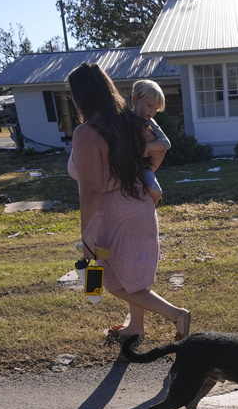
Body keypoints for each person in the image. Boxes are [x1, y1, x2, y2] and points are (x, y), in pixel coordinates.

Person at [66, 63, 191, 342]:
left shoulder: (87, 133)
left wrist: (86, 237)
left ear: (80, 97)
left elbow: (91, 190)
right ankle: (136, 327)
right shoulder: (128, 121)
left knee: (114, 282)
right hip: (140, 207)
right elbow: (156, 155)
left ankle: (177, 315)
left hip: (116, 214)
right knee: (133, 275)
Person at [131, 79, 170, 206]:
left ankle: (151, 209)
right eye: (149, 106)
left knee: (155, 190)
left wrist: (148, 146)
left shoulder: (150, 122)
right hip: (125, 167)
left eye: (156, 109)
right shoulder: (123, 118)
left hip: (143, 167)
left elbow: (166, 143)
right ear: (135, 100)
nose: (152, 112)